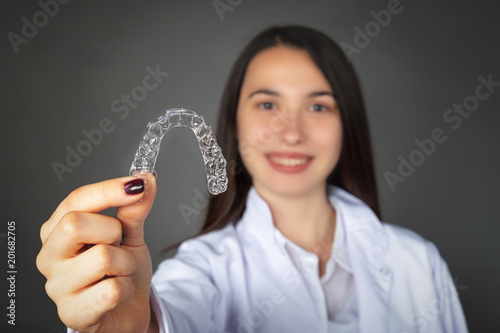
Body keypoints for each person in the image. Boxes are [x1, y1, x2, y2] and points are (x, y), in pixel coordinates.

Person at [37, 26, 468, 333]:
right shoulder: (202, 271)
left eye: (318, 107)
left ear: (346, 124)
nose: (292, 132)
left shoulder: (419, 263)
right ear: (234, 122)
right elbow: (174, 314)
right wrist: (137, 328)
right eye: (267, 105)